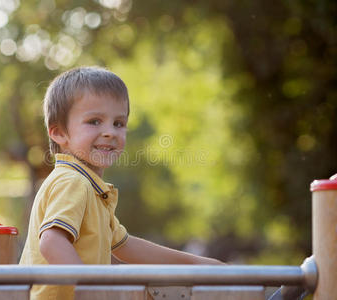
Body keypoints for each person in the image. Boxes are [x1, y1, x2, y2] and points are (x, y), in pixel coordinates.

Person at [19, 66, 223, 299]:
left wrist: (199, 264)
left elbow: (127, 247)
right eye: (94, 121)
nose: (110, 132)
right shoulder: (72, 181)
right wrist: (91, 291)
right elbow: (52, 242)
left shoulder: (90, 188)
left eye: (118, 123)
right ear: (59, 133)